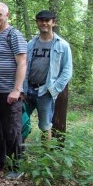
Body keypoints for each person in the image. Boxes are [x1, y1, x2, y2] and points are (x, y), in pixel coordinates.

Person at [0, 2, 27, 179]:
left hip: (9, 92)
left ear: (7, 15)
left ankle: (16, 166)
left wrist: (16, 89)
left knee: (12, 130)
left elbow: (22, 62)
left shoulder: (14, 35)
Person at [23, 10, 73, 141]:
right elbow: (23, 67)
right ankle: (18, 153)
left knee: (45, 126)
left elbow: (67, 70)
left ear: (53, 22)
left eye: (47, 20)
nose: (44, 23)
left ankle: (46, 156)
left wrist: (53, 89)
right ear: (37, 23)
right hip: (28, 90)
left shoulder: (62, 45)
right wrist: (22, 88)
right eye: (41, 20)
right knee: (20, 121)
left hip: (45, 91)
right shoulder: (30, 44)